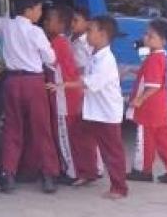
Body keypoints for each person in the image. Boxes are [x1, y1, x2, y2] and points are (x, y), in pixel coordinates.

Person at [0, 0, 58, 194]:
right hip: (33, 82)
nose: (40, 14)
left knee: (12, 128)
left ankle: (8, 174)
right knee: (41, 129)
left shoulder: (6, 25)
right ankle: (48, 175)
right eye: (39, 9)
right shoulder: (36, 32)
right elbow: (50, 58)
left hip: (11, 81)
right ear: (29, 10)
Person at [57, 15, 128, 200]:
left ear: (103, 35)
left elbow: (88, 83)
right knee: (79, 135)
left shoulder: (106, 60)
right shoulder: (94, 54)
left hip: (106, 113)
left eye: (90, 30)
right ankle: (88, 172)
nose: (87, 34)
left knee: (112, 150)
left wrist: (63, 84)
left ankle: (119, 187)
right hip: (92, 110)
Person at [126, 18, 167, 185]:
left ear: (163, 40)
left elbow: (153, 85)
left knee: (145, 141)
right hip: (160, 108)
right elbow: (153, 76)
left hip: (149, 109)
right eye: (146, 34)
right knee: (166, 142)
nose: (146, 38)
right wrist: (133, 70)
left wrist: (139, 99)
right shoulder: (160, 56)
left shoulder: (154, 58)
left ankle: (143, 171)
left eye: (151, 36)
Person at [43, 4, 84, 184]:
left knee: (64, 135)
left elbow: (47, 61)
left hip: (64, 98)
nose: (44, 23)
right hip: (69, 95)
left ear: (60, 24)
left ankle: (70, 172)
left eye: (48, 20)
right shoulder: (64, 41)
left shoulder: (58, 43)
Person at [70, 6, 92, 75]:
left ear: (87, 24)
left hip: (82, 79)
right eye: (71, 20)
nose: (71, 24)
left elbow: (93, 65)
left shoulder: (88, 42)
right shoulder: (68, 38)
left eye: (76, 20)